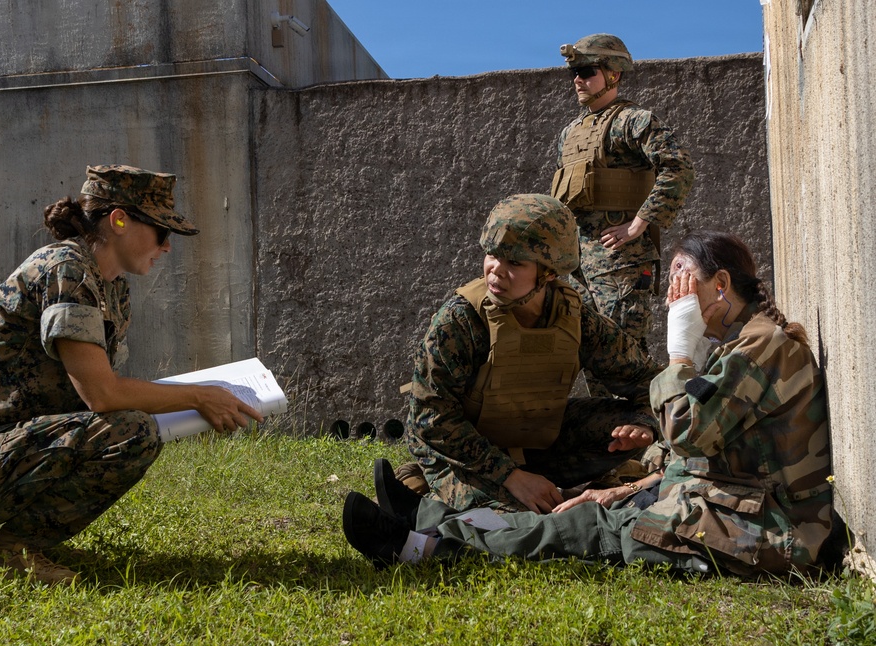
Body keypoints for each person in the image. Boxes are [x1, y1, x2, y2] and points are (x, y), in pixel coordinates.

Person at [346, 231, 834, 577]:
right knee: (595, 506)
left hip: (768, 533)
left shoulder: (761, 346)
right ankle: (431, 518)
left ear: (721, 284)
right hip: (730, 505)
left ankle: (425, 548)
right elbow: (700, 454)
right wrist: (632, 487)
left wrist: (681, 355)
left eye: (684, 282)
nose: (672, 297)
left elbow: (686, 433)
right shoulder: (742, 344)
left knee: (592, 529)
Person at [0, 165, 263, 585]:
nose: (167, 247)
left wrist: (196, 400)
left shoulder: (111, 286)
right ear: (119, 220)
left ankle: (26, 542)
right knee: (131, 432)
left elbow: (93, 397)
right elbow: (101, 395)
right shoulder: (66, 270)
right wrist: (200, 397)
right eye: (161, 232)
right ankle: (14, 553)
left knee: (130, 427)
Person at [401, 193, 663, 515]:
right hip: (465, 448)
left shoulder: (575, 318)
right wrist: (511, 476)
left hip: (537, 440)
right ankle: (428, 482)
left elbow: (650, 381)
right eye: (492, 255)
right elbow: (430, 418)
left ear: (549, 273)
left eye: (514, 262)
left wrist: (645, 422)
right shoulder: (460, 320)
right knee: (514, 520)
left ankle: (535, 485)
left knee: (623, 424)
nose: (495, 270)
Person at [550, 34, 694, 365]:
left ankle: (638, 419)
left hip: (621, 264)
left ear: (614, 74)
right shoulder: (570, 133)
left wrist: (639, 224)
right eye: (574, 72)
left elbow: (679, 167)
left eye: (587, 71)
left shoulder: (633, 121)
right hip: (579, 267)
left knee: (624, 358)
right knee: (589, 359)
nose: (577, 80)